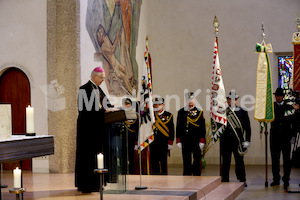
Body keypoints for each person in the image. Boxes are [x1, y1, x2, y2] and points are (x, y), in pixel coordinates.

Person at [75, 66, 113, 193]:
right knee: (88, 157)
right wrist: (104, 111)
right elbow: (84, 109)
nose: (103, 80)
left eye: (103, 78)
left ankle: (97, 183)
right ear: (94, 76)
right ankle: (86, 185)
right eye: (101, 78)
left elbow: (105, 104)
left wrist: (112, 109)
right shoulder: (84, 89)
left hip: (98, 129)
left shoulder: (98, 89)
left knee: (97, 156)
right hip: (87, 130)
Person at [220, 91, 251, 187]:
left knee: (239, 161)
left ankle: (242, 179)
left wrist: (247, 140)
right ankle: (225, 179)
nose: (233, 101)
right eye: (230, 99)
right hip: (225, 141)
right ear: (228, 100)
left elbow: (247, 127)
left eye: (235, 99)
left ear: (237, 100)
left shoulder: (242, 111)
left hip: (238, 140)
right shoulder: (223, 112)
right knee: (225, 161)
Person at [270, 88, 294, 190]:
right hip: (274, 137)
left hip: (285, 137)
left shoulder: (289, 107)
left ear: (282, 97)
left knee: (286, 160)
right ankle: (276, 179)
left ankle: (286, 179)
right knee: (275, 159)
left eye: (279, 96)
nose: (277, 97)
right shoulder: (271, 107)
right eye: (276, 96)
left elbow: (294, 122)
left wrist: (293, 136)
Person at [176, 92, 206, 176]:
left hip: (196, 140)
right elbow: (178, 127)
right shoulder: (181, 112)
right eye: (188, 99)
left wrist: (202, 140)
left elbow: (202, 127)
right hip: (185, 140)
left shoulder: (199, 111)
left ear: (194, 100)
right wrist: (178, 140)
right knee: (186, 159)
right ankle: (187, 176)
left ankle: (197, 176)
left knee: (196, 159)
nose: (190, 101)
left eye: (191, 99)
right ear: (186, 100)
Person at [150, 97, 174, 175]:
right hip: (153, 143)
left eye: (158, 104)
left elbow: (171, 130)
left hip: (163, 143)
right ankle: (155, 178)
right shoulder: (150, 116)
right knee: (154, 162)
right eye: (155, 105)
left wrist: (170, 142)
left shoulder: (168, 115)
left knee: (163, 162)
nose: (156, 106)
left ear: (163, 105)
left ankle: (164, 179)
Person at [121, 98, 139, 174]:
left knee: (131, 157)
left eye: (128, 104)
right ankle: (124, 171)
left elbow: (137, 129)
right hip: (123, 139)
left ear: (131, 105)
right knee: (123, 156)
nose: (126, 106)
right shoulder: (120, 115)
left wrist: (136, 142)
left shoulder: (135, 115)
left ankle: (131, 171)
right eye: (125, 104)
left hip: (132, 139)